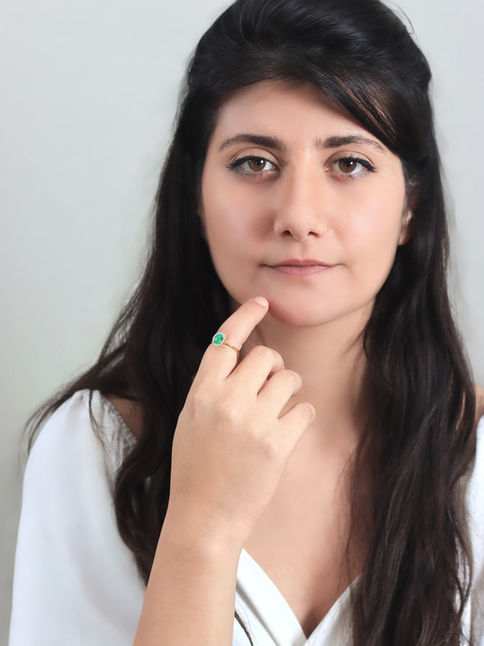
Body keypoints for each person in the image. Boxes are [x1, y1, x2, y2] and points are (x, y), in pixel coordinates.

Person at [8, 0, 484, 644]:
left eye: (349, 163)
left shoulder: (475, 452)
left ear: (410, 206)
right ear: (196, 199)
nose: (298, 216)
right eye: (255, 162)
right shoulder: (91, 447)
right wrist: (202, 526)